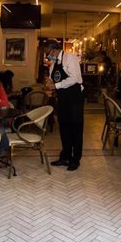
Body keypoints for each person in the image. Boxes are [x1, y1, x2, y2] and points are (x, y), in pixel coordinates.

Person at [44, 40, 84, 171]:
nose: (47, 56)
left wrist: (56, 85)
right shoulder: (53, 63)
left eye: (48, 53)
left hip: (74, 98)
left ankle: (75, 159)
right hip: (62, 99)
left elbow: (75, 78)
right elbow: (53, 79)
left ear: (54, 50)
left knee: (76, 129)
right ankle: (65, 156)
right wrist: (49, 82)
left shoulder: (70, 58)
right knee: (64, 128)